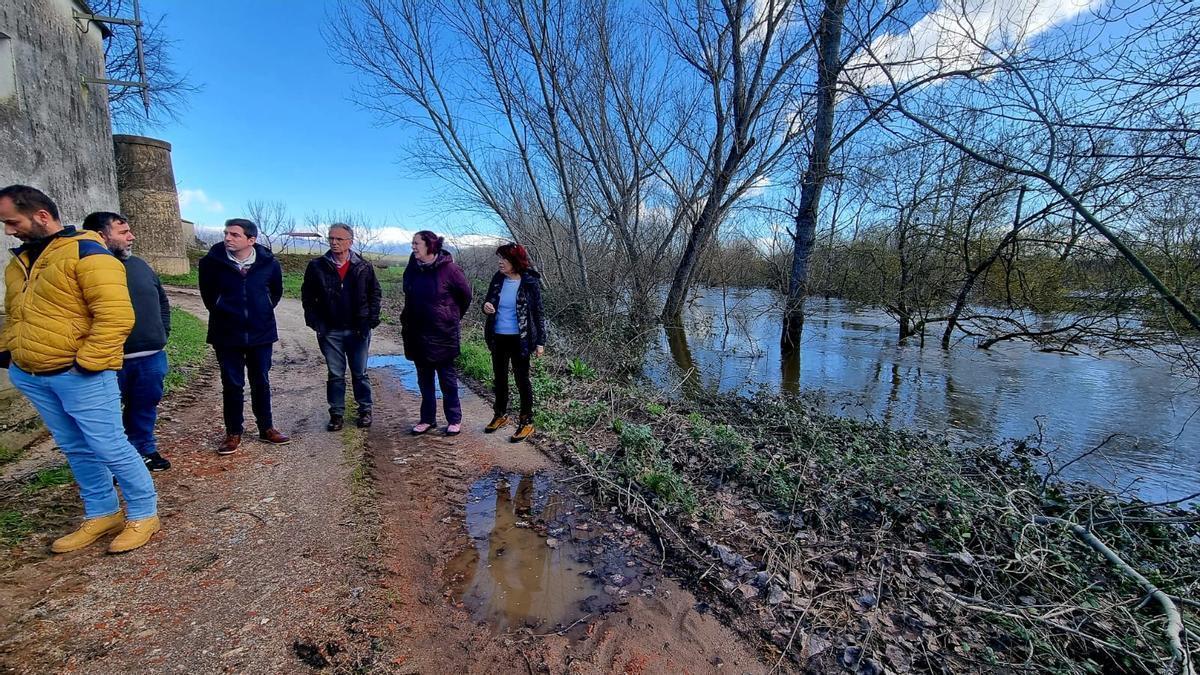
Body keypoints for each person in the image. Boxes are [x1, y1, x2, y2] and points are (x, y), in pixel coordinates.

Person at [0, 185, 160, 553]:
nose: (9, 230)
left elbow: (115, 316)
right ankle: (103, 512)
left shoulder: (88, 254)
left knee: (109, 445)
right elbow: (16, 314)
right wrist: (9, 354)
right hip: (33, 373)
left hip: (79, 373)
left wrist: (86, 363)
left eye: (13, 222)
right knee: (75, 447)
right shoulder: (20, 262)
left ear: (42, 216)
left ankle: (143, 513)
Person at [82, 212, 172, 471]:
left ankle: (144, 449)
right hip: (109, 360)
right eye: (123, 233)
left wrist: (162, 332)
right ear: (101, 236)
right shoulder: (84, 267)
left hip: (151, 356)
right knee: (104, 416)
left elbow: (162, 300)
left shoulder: (140, 265)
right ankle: (111, 464)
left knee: (144, 406)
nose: (131, 237)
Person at [197, 218, 290, 455]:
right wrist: (224, 311)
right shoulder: (211, 263)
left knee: (261, 382)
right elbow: (209, 296)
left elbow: (275, 292)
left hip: (261, 333)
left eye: (235, 235)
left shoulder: (269, 263)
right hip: (226, 334)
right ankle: (233, 433)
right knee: (232, 384)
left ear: (251, 240)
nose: (227, 238)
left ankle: (266, 428)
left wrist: (261, 309)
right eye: (226, 233)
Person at [301, 223, 382, 431]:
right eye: (331, 238)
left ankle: (365, 410)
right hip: (330, 330)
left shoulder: (363, 266)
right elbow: (307, 296)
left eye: (339, 239)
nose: (334, 242)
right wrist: (315, 322)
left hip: (358, 330)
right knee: (335, 374)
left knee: (360, 373)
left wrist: (370, 320)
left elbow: (374, 294)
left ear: (350, 242)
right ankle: (336, 414)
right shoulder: (317, 266)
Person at [400, 230, 471, 436]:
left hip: (442, 334)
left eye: (417, 243)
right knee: (424, 380)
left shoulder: (450, 270)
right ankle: (427, 419)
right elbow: (408, 293)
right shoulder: (412, 268)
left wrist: (450, 316)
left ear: (430, 245)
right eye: (412, 243)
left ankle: (454, 419)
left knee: (447, 380)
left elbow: (465, 296)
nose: (413, 247)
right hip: (417, 332)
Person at [482, 243, 546, 442]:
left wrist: (541, 341)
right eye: (499, 258)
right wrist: (486, 307)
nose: (500, 262)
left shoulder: (529, 282)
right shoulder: (498, 278)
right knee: (499, 378)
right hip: (498, 337)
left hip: (521, 340)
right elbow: (487, 302)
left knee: (521, 380)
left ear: (515, 261)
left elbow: (538, 313)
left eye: (505, 259)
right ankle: (500, 415)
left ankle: (526, 422)